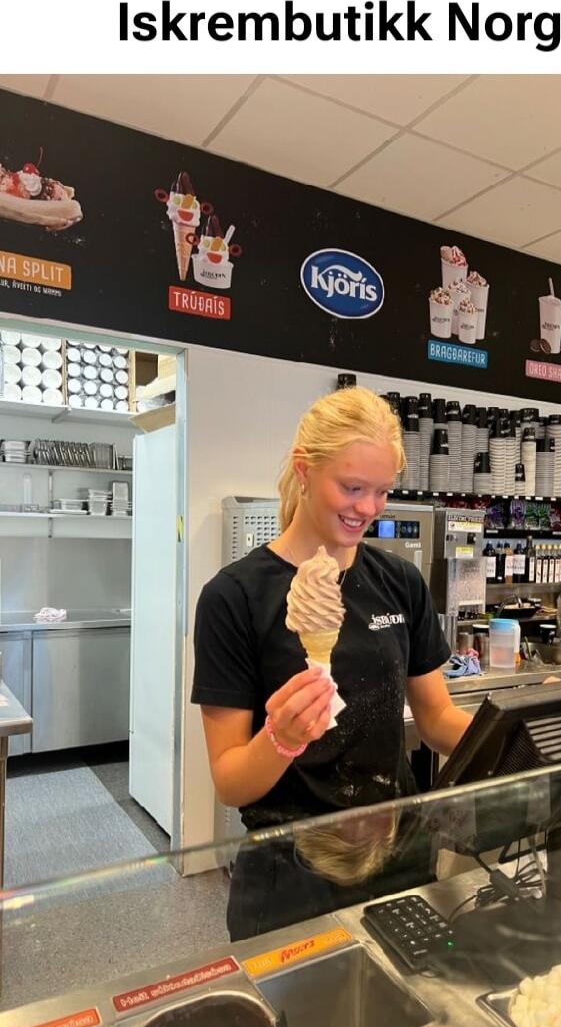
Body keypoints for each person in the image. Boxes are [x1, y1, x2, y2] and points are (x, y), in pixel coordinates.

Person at [192, 385, 472, 938]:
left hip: (398, 856)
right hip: (289, 870)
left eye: (382, 491)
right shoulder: (234, 597)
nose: (367, 508)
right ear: (304, 471)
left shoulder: (400, 583)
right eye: (351, 487)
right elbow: (229, 781)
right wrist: (281, 738)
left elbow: (437, 719)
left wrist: (521, 739)